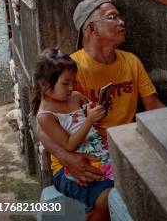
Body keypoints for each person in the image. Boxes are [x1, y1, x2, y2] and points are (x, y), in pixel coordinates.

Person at [36, 0, 165, 185]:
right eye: (112, 17)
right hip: (86, 154)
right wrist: (67, 159)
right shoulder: (71, 71)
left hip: (126, 145)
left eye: (119, 17)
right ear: (91, 28)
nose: (122, 22)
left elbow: (153, 105)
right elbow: (42, 124)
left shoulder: (131, 61)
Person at [32, 49, 112, 220]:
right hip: (69, 172)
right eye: (65, 83)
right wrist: (89, 120)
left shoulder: (75, 97)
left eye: (73, 82)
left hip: (98, 154)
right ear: (44, 84)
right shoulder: (45, 116)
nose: (71, 88)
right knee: (106, 198)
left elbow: (87, 125)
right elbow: (69, 144)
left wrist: (96, 114)